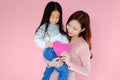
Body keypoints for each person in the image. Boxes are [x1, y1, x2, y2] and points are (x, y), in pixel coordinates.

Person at [34, 1, 69, 80]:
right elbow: (36, 39)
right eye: (52, 17)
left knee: (49, 69)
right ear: (47, 15)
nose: (55, 19)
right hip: (49, 51)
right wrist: (45, 44)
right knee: (65, 71)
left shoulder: (59, 28)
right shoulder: (44, 27)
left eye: (57, 17)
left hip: (58, 52)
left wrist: (65, 47)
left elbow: (64, 39)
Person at [60, 10, 92, 80]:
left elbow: (87, 71)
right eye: (69, 25)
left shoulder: (82, 45)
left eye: (75, 29)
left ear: (82, 29)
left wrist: (69, 63)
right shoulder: (63, 37)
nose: (70, 30)